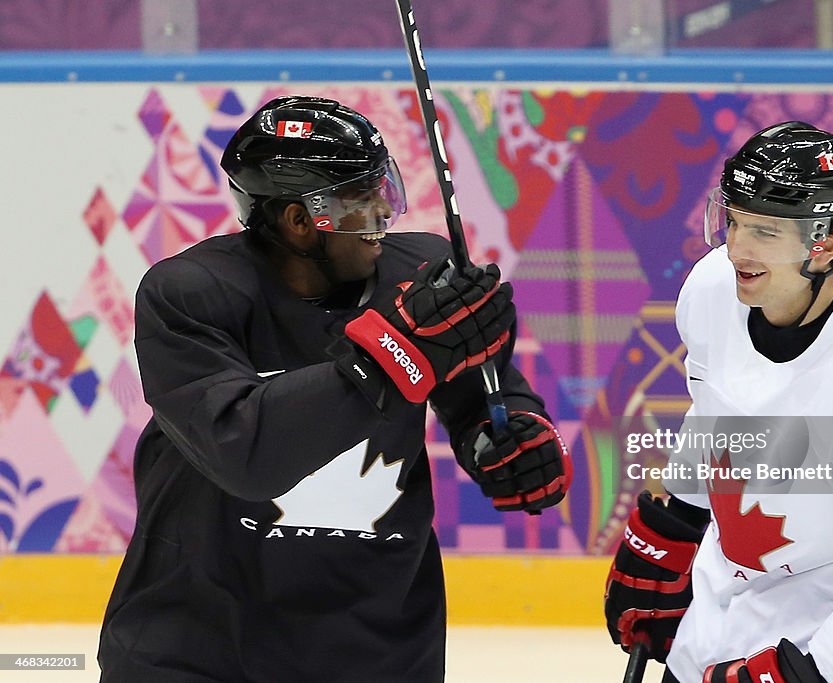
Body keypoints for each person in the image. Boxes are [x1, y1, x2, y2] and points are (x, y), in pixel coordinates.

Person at [97, 95, 571, 682]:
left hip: (378, 645)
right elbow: (242, 451)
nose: (383, 214)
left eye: (383, 190)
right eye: (360, 202)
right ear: (299, 219)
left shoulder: (420, 274)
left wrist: (507, 438)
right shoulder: (188, 296)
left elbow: (480, 393)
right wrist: (397, 352)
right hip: (201, 645)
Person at [604, 121, 833, 682]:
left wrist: (802, 674)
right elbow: (713, 412)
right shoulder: (712, 291)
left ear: (824, 243)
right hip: (716, 641)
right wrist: (678, 522)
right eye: (732, 220)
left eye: (764, 231)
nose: (737, 248)